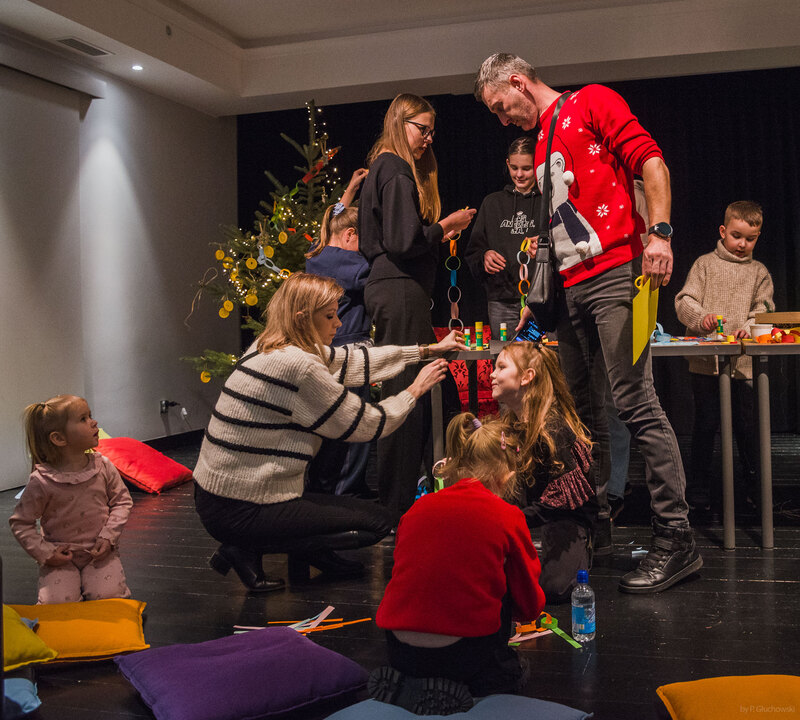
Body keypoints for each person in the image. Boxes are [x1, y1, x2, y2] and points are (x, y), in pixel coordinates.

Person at [475, 53, 702, 594]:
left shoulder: (591, 101)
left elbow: (652, 162)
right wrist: (538, 299)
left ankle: (676, 538)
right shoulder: (543, 139)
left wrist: (660, 234)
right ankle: (593, 527)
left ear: (517, 81)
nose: (503, 119)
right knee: (578, 414)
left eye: (501, 106)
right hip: (572, 286)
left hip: (616, 271)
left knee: (634, 400)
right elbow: (557, 226)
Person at [193, 272, 465, 592]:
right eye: (330, 316)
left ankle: (294, 549)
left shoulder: (270, 347)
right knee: (379, 523)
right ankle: (244, 547)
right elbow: (367, 423)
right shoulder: (298, 364)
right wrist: (415, 389)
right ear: (302, 318)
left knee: (338, 496)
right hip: (241, 506)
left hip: (217, 496)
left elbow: (353, 361)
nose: (339, 323)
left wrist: (427, 351)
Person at [370, 413, 545, 713]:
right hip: (464, 653)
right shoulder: (507, 515)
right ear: (506, 476)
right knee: (513, 668)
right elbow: (529, 603)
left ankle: (410, 684)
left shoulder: (417, 508)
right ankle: (476, 684)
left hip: (398, 648)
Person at [358, 93, 476, 517]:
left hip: (400, 291)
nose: (428, 138)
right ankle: (395, 507)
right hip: (399, 290)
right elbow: (402, 242)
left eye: (431, 131)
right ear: (399, 122)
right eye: (421, 129)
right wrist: (445, 226)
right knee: (407, 393)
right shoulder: (394, 168)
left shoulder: (386, 168)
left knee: (434, 387)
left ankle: (432, 493)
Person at [674, 200, 773, 512]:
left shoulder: (759, 272)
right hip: (706, 363)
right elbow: (684, 300)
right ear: (723, 231)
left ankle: (754, 488)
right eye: (736, 236)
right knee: (705, 423)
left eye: (750, 239)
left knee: (746, 426)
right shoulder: (705, 264)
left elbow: (765, 308)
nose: (742, 244)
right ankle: (699, 487)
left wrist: (750, 327)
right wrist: (700, 317)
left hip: (743, 364)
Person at [491, 342, 598, 601]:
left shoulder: (553, 430)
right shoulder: (512, 423)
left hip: (564, 519)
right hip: (530, 512)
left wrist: (517, 518)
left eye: (501, 367)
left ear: (527, 377)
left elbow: (564, 502)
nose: (492, 374)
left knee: (553, 588)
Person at [10, 395, 133, 603]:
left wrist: (108, 537)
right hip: (60, 558)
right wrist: (46, 553)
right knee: (57, 604)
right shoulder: (41, 480)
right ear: (59, 438)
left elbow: (122, 502)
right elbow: (21, 522)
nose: (93, 422)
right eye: (83, 419)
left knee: (109, 599)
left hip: (99, 553)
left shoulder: (103, 466)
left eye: (90, 416)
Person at [305, 170, 373, 496]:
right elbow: (379, 273)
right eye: (363, 241)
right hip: (350, 349)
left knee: (331, 424)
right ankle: (347, 492)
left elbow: (331, 223)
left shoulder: (317, 255)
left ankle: (325, 487)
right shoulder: (349, 262)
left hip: (328, 350)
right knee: (355, 424)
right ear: (349, 236)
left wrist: (349, 193)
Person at [464, 136, 543, 340]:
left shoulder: (548, 202)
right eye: (514, 167)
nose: (519, 174)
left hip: (542, 300)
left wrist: (544, 247)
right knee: (506, 357)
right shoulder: (492, 203)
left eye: (526, 168)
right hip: (502, 302)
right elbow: (473, 251)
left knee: (545, 356)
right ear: (507, 164)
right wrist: (484, 256)